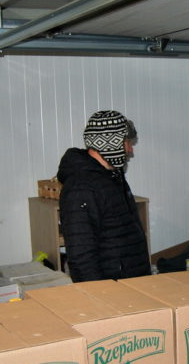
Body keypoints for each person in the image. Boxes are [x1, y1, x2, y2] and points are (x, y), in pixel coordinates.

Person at [57, 110, 150, 282]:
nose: (130, 150)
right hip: (112, 289)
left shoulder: (112, 177)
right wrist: (101, 294)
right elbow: (81, 257)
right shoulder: (81, 187)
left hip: (130, 284)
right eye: (127, 143)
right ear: (111, 142)